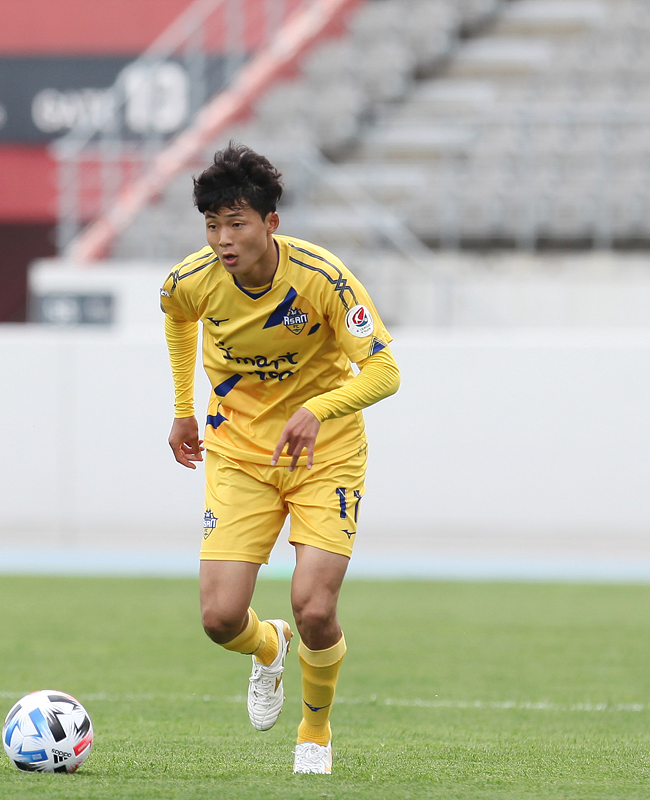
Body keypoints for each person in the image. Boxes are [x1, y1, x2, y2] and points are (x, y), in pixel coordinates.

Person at [160, 143, 401, 775]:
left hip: (325, 454)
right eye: (212, 225)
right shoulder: (191, 280)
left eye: (236, 223)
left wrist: (318, 409)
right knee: (219, 619)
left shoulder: (323, 279)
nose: (222, 239)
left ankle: (314, 733)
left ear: (271, 222)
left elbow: (386, 371)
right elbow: (177, 318)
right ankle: (269, 646)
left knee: (315, 607)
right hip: (239, 454)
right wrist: (183, 408)